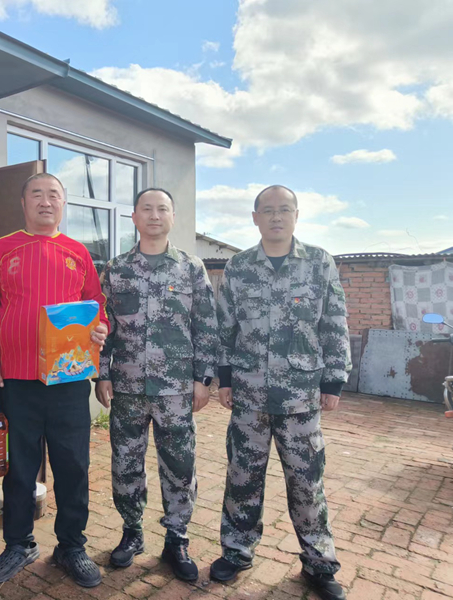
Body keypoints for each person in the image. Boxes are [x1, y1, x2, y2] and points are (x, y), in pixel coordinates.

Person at [209, 185, 351, 600]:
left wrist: (333, 381)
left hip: (301, 396)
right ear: (255, 218)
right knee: (242, 477)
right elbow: (225, 327)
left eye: (284, 210)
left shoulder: (319, 263)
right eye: (268, 210)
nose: (276, 217)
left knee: (307, 483)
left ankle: (319, 564)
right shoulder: (238, 266)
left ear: (296, 215)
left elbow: (334, 323)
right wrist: (225, 380)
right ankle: (236, 551)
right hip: (249, 394)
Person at [0, 173, 109, 588]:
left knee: (73, 465)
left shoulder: (78, 252)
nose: (46, 201)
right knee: (20, 468)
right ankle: (18, 544)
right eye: (37, 194)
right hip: (16, 378)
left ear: (63, 204)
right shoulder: (3, 248)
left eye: (54, 195)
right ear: (23, 203)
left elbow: (97, 306)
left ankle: (71, 545)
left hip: (68, 378)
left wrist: (100, 329)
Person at [96, 188, 220, 581]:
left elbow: (206, 326)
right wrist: (102, 374)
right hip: (127, 387)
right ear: (134, 217)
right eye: (146, 209)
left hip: (176, 390)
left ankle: (176, 538)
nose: (154, 215)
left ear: (172, 217)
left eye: (162, 209)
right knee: (125, 463)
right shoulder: (116, 269)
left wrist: (203, 380)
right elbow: (102, 327)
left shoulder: (190, 268)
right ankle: (131, 531)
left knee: (180, 465)